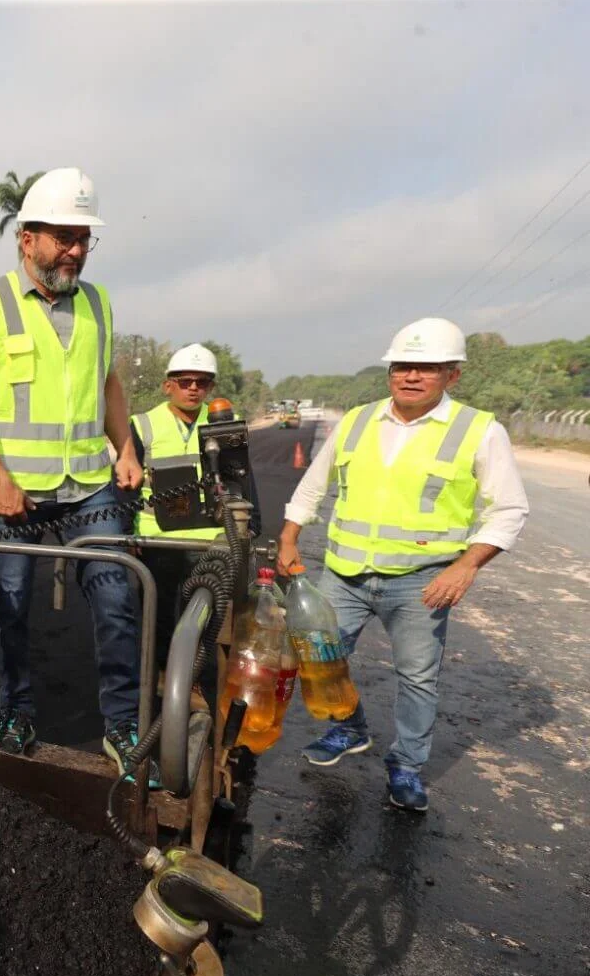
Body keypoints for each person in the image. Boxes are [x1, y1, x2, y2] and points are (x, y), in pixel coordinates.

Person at [277, 317, 529, 812]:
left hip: (421, 582)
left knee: (417, 676)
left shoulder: (479, 430)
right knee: (317, 655)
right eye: (402, 366)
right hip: (344, 573)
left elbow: (509, 509)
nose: (411, 377)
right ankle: (349, 728)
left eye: (427, 368)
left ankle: (407, 766)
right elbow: (314, 483)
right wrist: (289, 536)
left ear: (452, 375)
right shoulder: (356, 420)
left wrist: (466, 566)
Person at [0, 167, 144, 765]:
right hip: (18, 492)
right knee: (10, 607)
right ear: (26, 238)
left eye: (84, 237)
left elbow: (108, 382)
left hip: (89, 485)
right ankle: (16, 717)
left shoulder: (100, 304)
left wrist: (127, 448)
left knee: (116, 599)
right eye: (64, 237)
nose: (77, 250)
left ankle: (124, 728)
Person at [130, 344, 263, 688]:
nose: (193, 388)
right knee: (157, 618)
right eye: (185, 381)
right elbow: (125, 485)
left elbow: (244, 476)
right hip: (157, 539)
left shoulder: (224, 425)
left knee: (210, 620)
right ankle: (158, 682)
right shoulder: (143, 425)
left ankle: (200, 687)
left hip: (213, 539)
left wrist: (253, 527)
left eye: (202, 383)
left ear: (210, 388)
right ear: (167, 385)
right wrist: (127, 535)